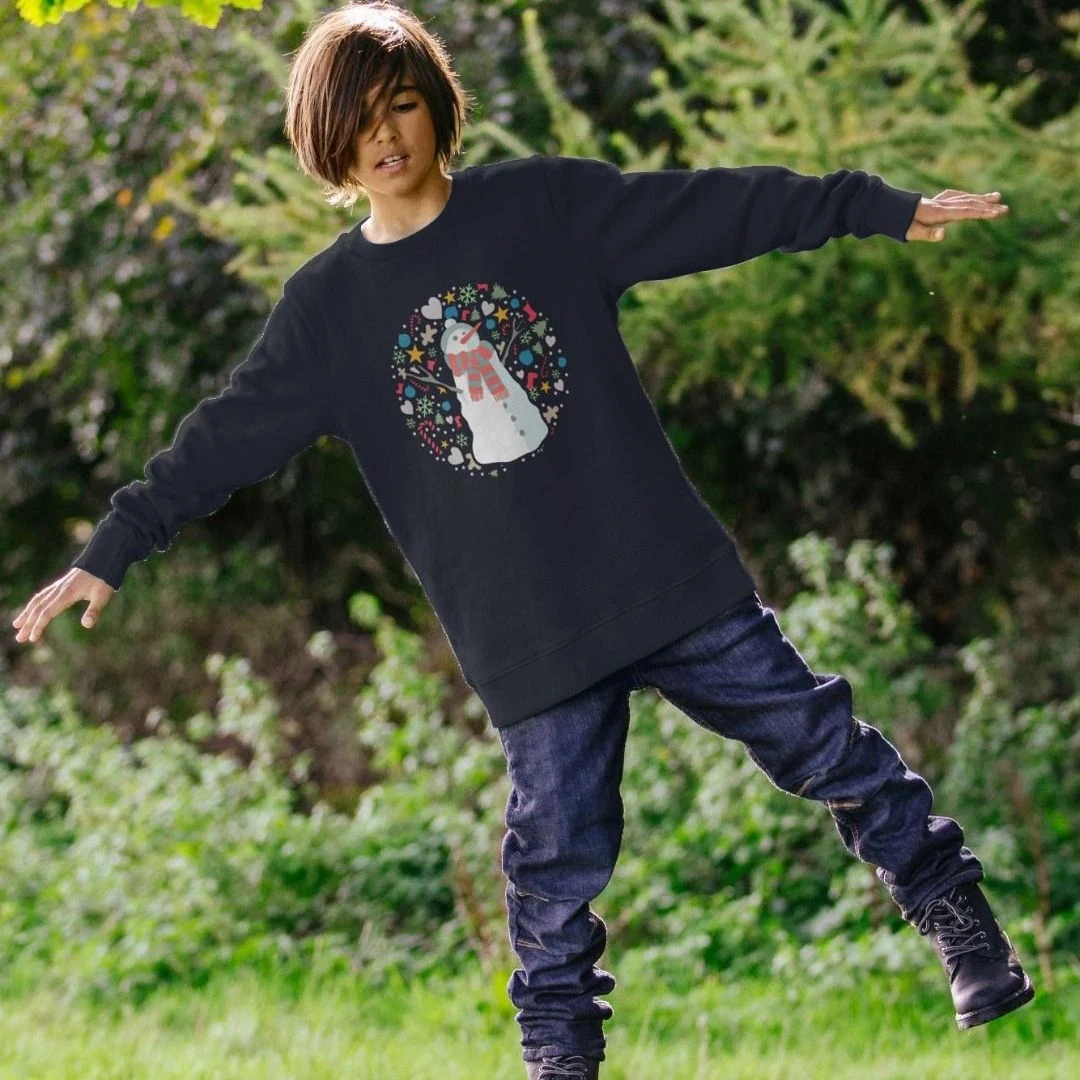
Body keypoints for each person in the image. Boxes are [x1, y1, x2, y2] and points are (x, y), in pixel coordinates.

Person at [10, 2, 1029, 1077]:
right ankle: (559, 1062)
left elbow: (710, 207)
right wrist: (112, 546)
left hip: (664, 576)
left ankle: (962, 928)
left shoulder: (541, 207)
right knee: (552, 870)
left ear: (437, 111)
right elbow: (222, 438)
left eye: (403, 105)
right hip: (530, 632)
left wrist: (871, 206)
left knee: (823, 743)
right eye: (360, 118)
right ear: (327, 139)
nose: (386, 134)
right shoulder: (327, 311)